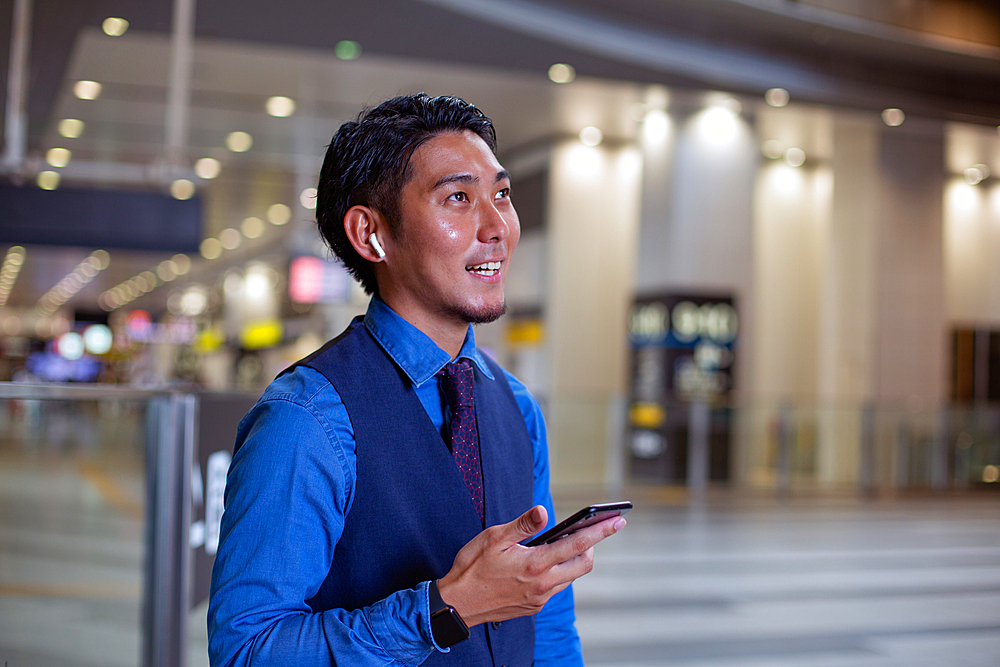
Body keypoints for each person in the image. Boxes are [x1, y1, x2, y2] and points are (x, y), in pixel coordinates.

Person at [208, 93, 625, 666]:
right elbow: (246, 650)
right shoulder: (308, 419)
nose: (497, 226)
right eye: (458, 197)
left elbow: (546, 616)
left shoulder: (517, 406)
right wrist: (441, 609)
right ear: (370, 234)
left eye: (501, 195)